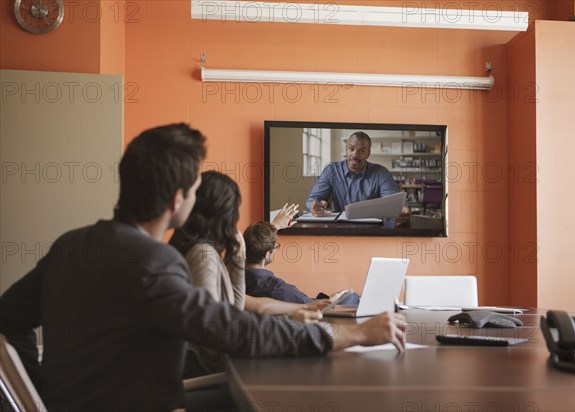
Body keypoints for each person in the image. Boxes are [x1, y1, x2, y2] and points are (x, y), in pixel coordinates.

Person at [0, 123, 407, 412]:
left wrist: (35, 392)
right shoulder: (153, 263)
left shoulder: (72, 244)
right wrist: (351, 333)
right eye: (195, 189)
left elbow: (8, 317)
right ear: (178, 199)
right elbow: (234, 331)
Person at [169, 171, 332, 375]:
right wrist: (286, 324)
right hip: (205, 371)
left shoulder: (205, 252)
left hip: (213, 363)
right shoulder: (203, 256)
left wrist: (239, 257)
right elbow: (212, 335)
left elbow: (237, 306)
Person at [244, 221, 360, 305]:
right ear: (266, 254)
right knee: (351, 296)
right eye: (275, 247)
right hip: (309, 324)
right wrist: (331, 299)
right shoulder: (279, 289)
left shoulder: (232, 282)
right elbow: (312, 306)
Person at [306, 131, 410, 220]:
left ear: (368, 153)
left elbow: (393, 201)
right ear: (346, 150)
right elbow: (312, 200)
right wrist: (314, 206)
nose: (355, 154)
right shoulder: (331, 171)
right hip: (339, 230)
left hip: (372, 230)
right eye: (351, 149)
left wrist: (402, 208)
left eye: (362, 151)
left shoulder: (381, 173)